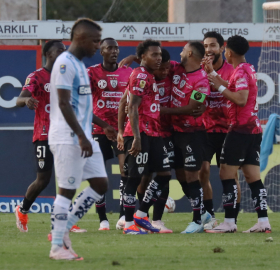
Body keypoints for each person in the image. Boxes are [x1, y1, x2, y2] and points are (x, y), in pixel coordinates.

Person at [48, 18, 116, 260]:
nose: (98, 46)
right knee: (66, 191)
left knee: (100, 184)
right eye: (95, 41)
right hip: (68, 137)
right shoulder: (65, 63)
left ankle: (64, 229)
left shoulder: (78, 65)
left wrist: (92, 131)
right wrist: (80, 135)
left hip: (85, 136)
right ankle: (57, 246)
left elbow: (82, 105)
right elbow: (64, 103)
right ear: (80, 39)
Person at [207, 35, 271, 233]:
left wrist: (218, 85)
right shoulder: (247, 68)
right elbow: (232, 87)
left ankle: (229, 222)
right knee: (253, 177)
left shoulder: (241, 71)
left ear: (228, 51)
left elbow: (241, 99)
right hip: (252, 129)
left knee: (226, 173)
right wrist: (212, 74)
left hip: (240, 130)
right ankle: (263, 221)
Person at [119, 39, 172, 235]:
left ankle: (141, 214)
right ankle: (128, 224)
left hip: (154, 133)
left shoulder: (148, 75)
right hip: (140, 133)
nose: (158, 58)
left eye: (159, 55)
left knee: (165, 174)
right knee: (134, 178)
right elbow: (131, 106)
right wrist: (136, 137)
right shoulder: (140, 75)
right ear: (143, 57)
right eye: (154, 55)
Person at [15, 40, 66, 233]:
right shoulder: (36, 76)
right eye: (60, 51)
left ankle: (66, 219)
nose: (64, 54)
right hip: (44, 134)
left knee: (66, 178)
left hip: (64, 135)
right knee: (43, 180)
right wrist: (27, 99)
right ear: (49, 54)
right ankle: (23, 209)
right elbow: (19, 99)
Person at [160, 41, 211, 233]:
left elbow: (192, 108)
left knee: (191, 175)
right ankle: (203, 212)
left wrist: (162, 110)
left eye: (183, 50)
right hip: (176, 132)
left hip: (193, 133)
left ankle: (197, 220)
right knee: (180, 175)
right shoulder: (176, 68)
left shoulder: (202, 80)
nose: (180, 53)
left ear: (189, 53)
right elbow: (159, 62)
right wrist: (134, 58)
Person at [88, 37, 132, 230]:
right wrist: (104, 125)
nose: (114, 51)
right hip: (100, 129)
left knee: (126, 171)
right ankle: (102, 219)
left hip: (123, 130)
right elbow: (81, 106)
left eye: (116, 48)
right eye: (109, 48)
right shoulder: (91, 73)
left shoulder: (128, 72)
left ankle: (123, 216)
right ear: (102, 51)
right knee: (99, 174)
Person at [200, 31, 241, 230]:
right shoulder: (198, 70)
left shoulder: (231, 70)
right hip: (205, 129)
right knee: (203, 170)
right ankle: (210, 217)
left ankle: (232, 219)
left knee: (231, 176)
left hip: (229, 129)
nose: (209, 50)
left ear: (222, 48)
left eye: (213, 46)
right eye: (206, 46)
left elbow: (235, 90)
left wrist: (212, 75)